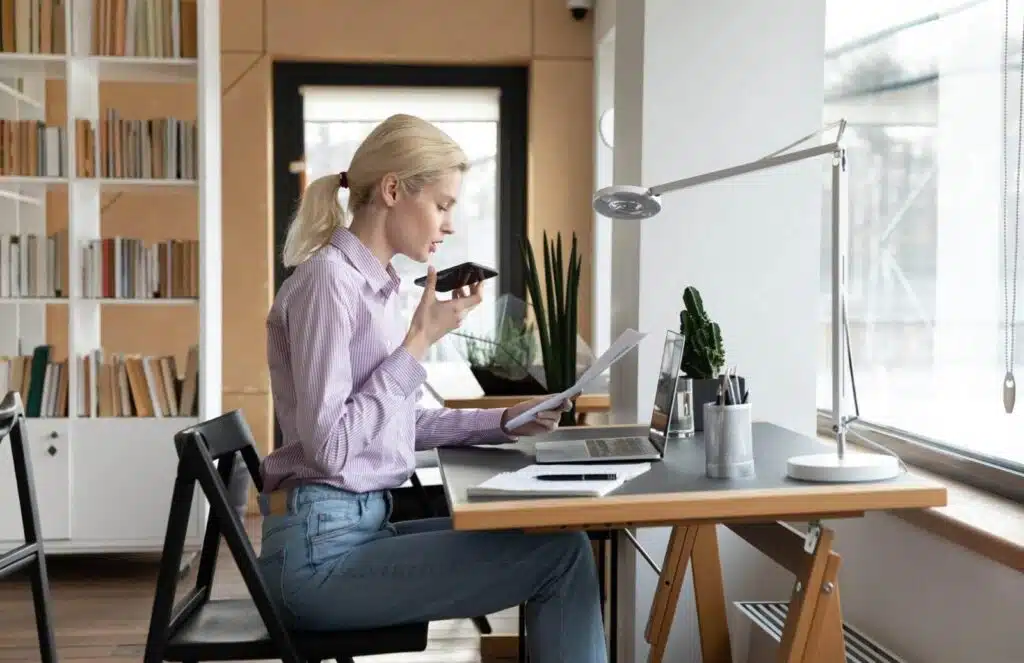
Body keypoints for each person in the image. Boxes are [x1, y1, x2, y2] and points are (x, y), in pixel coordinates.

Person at [257, 113, 607, 663]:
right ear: (393, 190)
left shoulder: (371, 288)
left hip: (355, 528)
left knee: (552, 537)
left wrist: (505, 419)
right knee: (560, 556)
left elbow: (393, 420)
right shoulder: (330, 282)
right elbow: (331, 448)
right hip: (319, 559)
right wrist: (418, 341)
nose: (448, 225)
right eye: (442, 205)